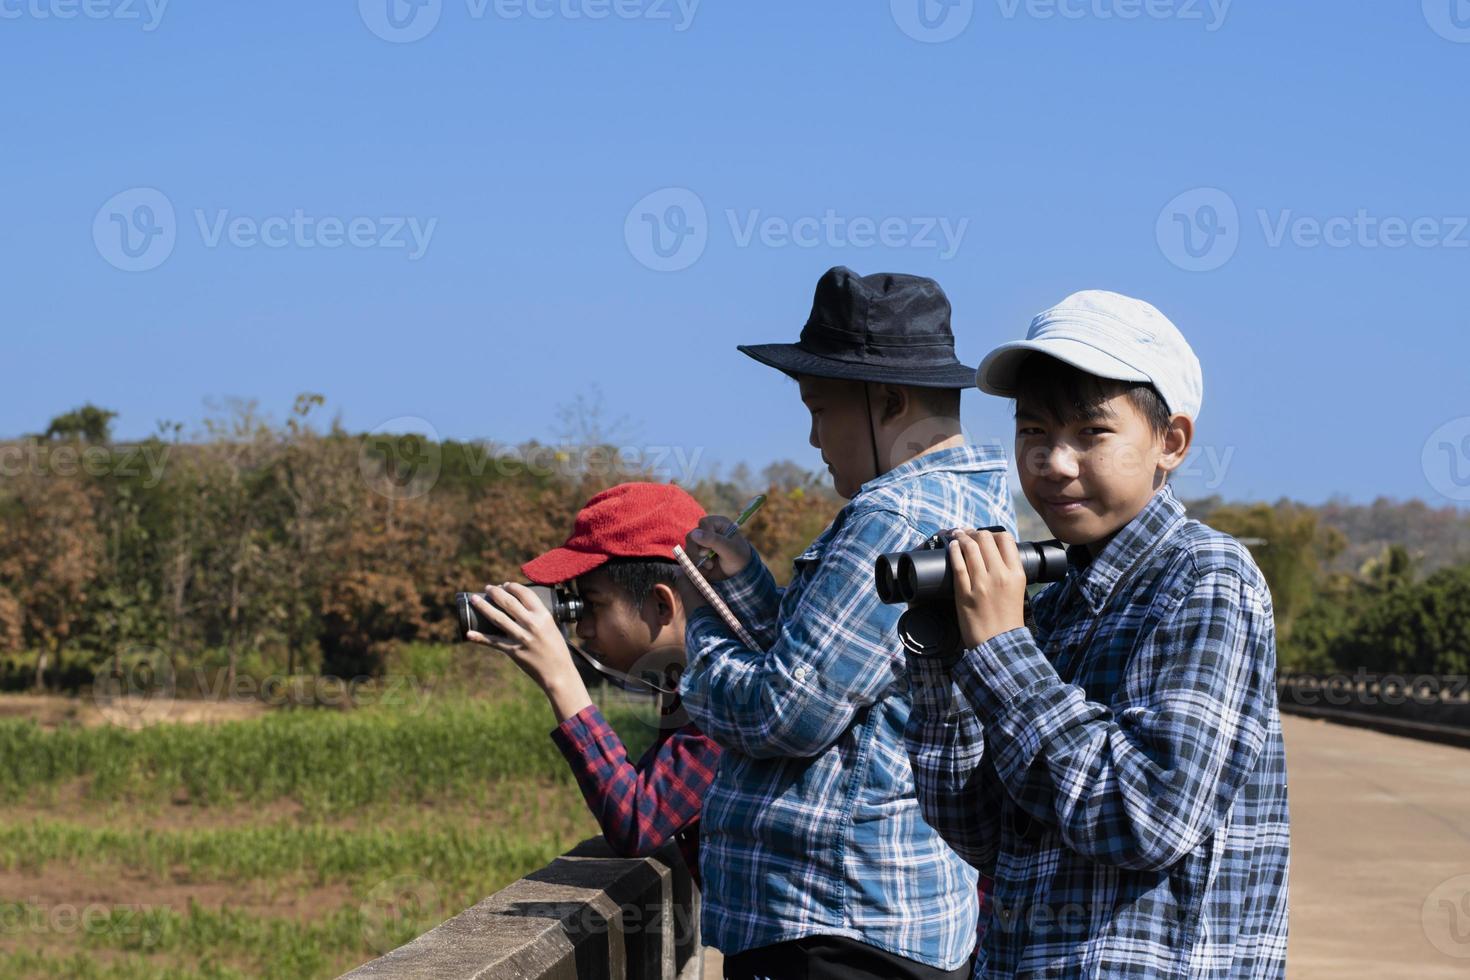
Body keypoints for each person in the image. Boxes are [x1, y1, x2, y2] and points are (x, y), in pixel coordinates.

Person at [905, 290, 1290, 977]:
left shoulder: (1204, 579)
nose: (1054, 461)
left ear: (1170, 442)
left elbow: (1147, 816)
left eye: (1091, 433)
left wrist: (1000, 648)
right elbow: (984, 833)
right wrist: (947, 660)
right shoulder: (1048, 605)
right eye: (1033, 432)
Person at [677, 267, 1015, 980]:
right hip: (883, 916)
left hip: (834, 927)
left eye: (820, 408)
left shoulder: (892, 517)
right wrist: (743, 584)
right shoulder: (973, 502)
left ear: (887, 402)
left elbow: (784, 712)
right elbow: (835, 679)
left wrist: (699, 628)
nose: (811, 436)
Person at [467, 482, 721, 883]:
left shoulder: (730, 696)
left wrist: (560, 679)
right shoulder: (691, 681)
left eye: (594, 604)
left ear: (662, 604)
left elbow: (637, 823)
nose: (582, 628)